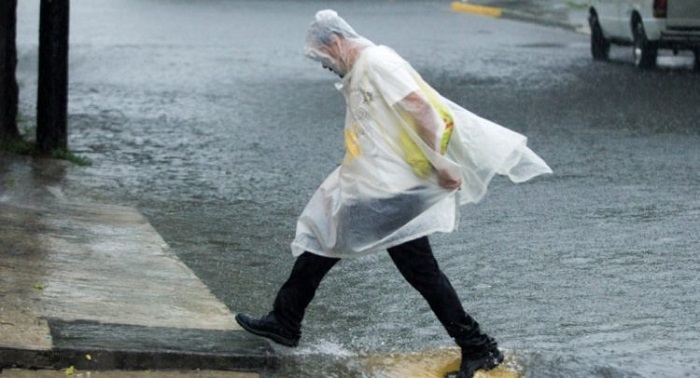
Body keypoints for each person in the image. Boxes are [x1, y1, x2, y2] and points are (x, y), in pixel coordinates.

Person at [236, 9, 552, 378]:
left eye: (324, 58)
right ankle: (285, 320)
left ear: (335, 43)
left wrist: (439, 162)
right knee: (331, 242)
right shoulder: (362, 68)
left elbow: (422, 108)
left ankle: (478, 346)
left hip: (394, 190)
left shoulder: (378, 61)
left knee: (391, 262)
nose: (326, 67)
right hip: (377, 183)